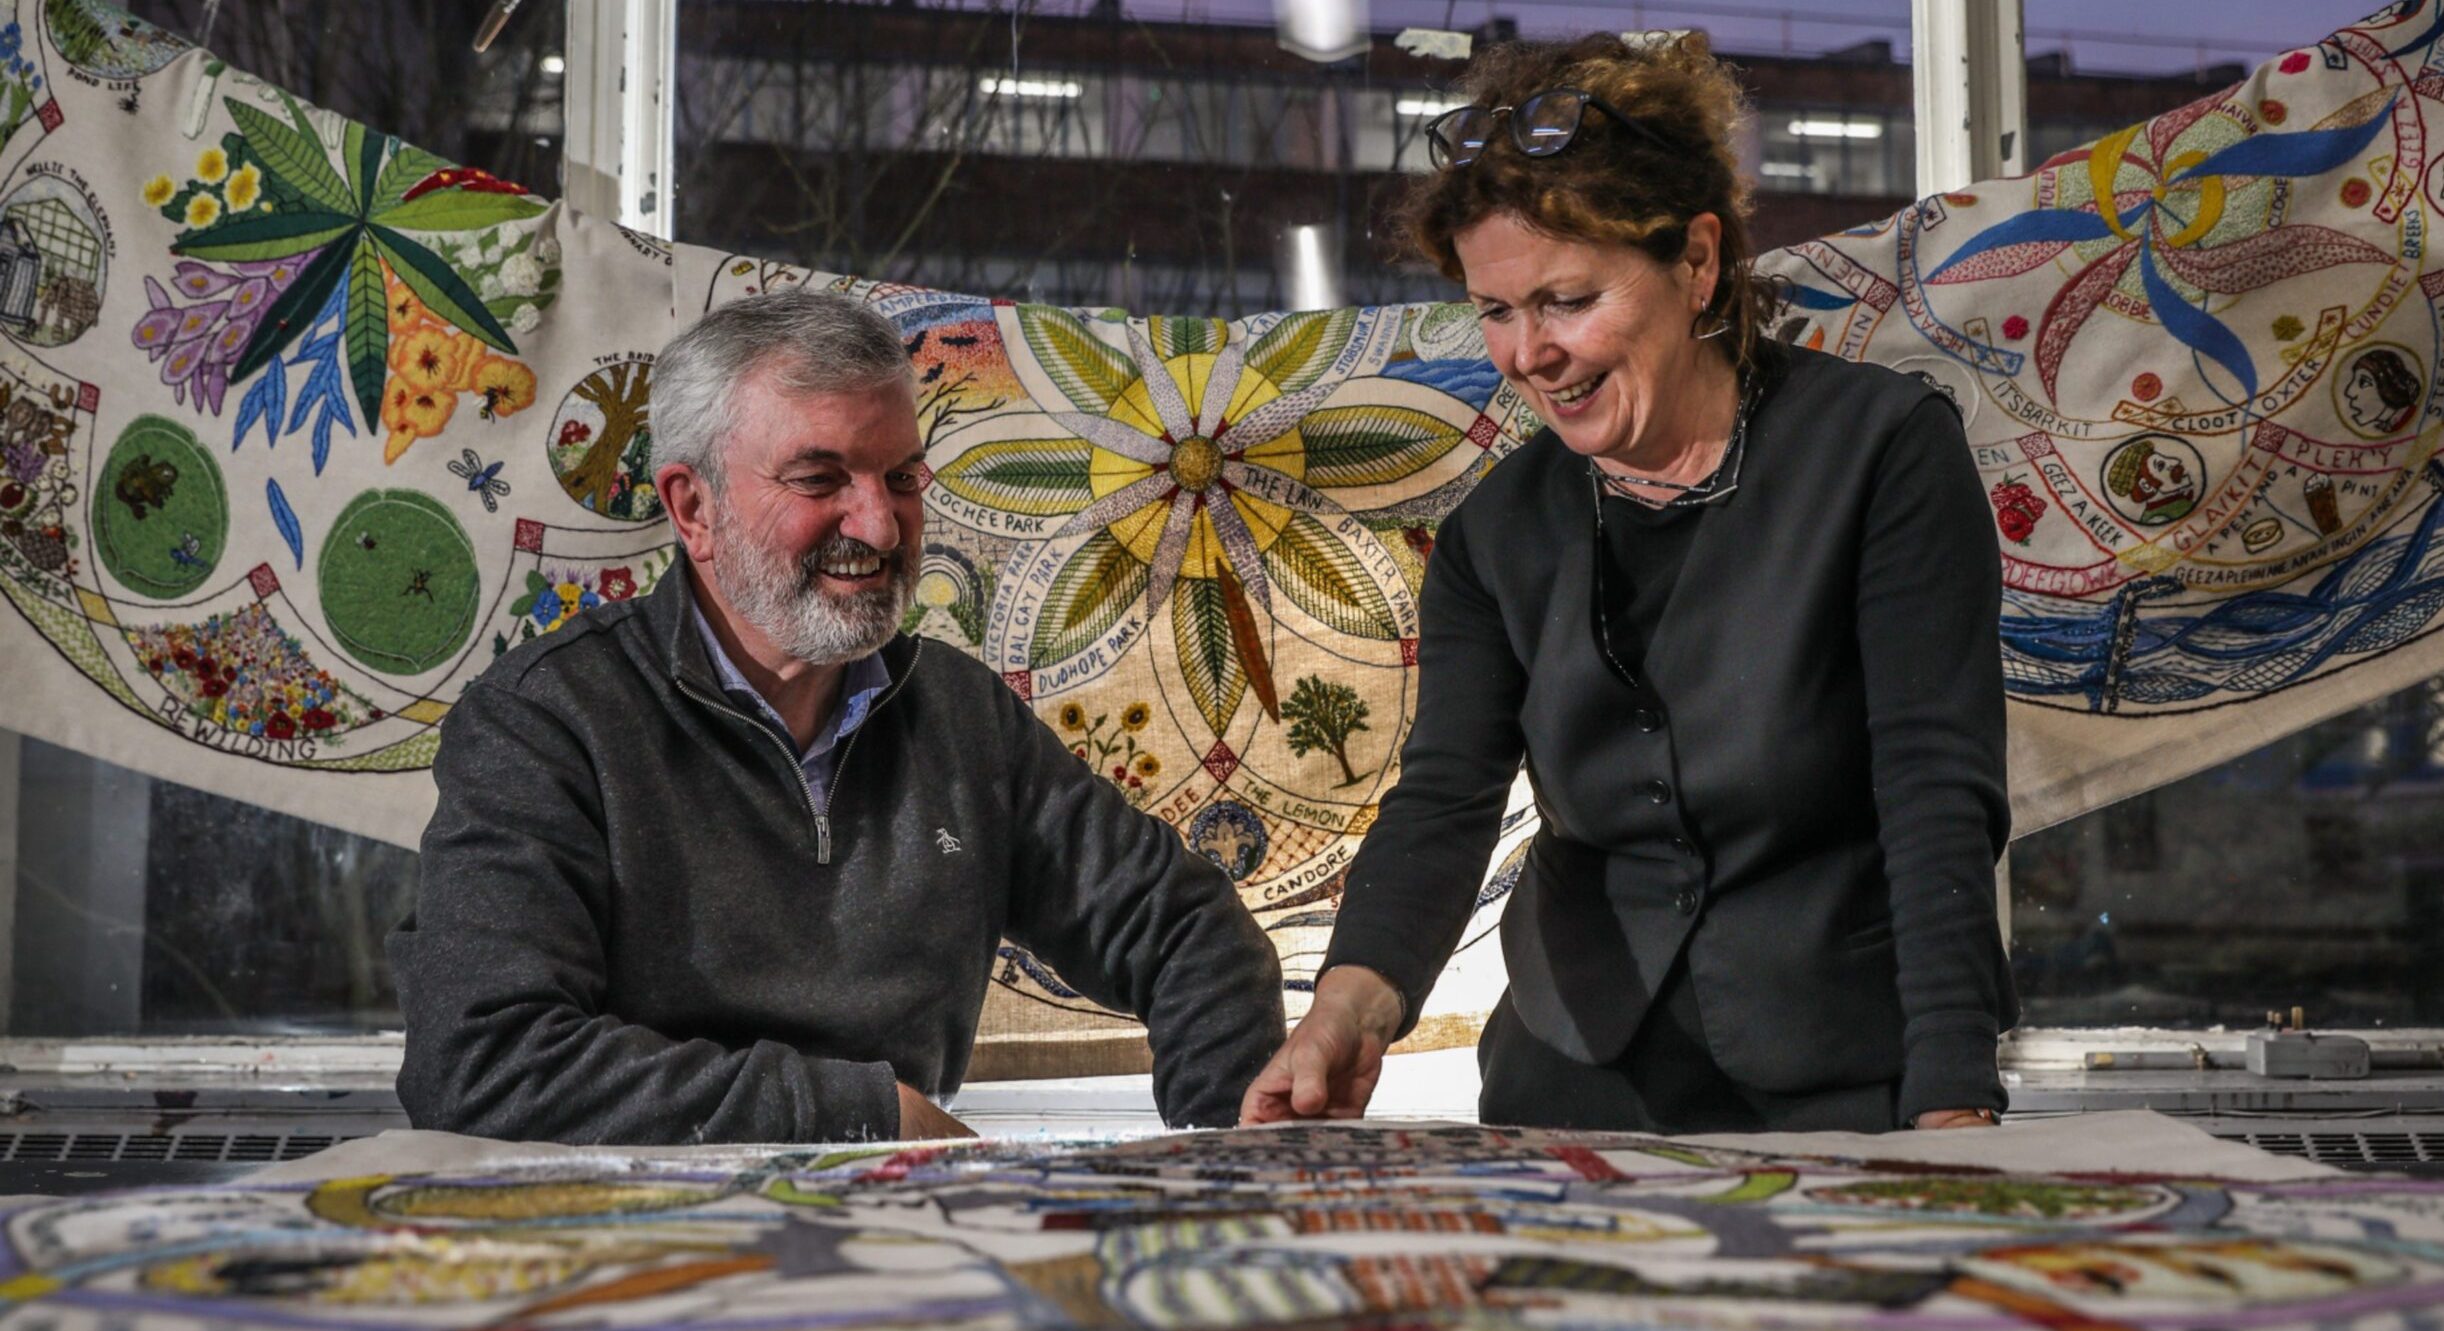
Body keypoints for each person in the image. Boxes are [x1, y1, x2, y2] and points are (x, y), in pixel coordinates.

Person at [1241, 33, 2014, 1135]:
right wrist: (1345, 1012)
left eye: (1564, 299)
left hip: (1846, 1083)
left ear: (1696, 263)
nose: (1525, 354)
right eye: (1494, 310)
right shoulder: (1493, 533)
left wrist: (1950, 1092)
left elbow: (1935, 789)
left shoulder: (1878, 452)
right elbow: (1443, 802)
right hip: (1568, 1089)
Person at [393, 290, 1284, 1144]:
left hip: (901, 1235)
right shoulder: (544, 722)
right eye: (821, 478)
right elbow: (481, 1062)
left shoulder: (961, 721)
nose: (884, 526)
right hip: (633, 1252)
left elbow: (1189, 934)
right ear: (692, 508)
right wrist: (865, 1116)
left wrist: (1220, 1159)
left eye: (900, 477)